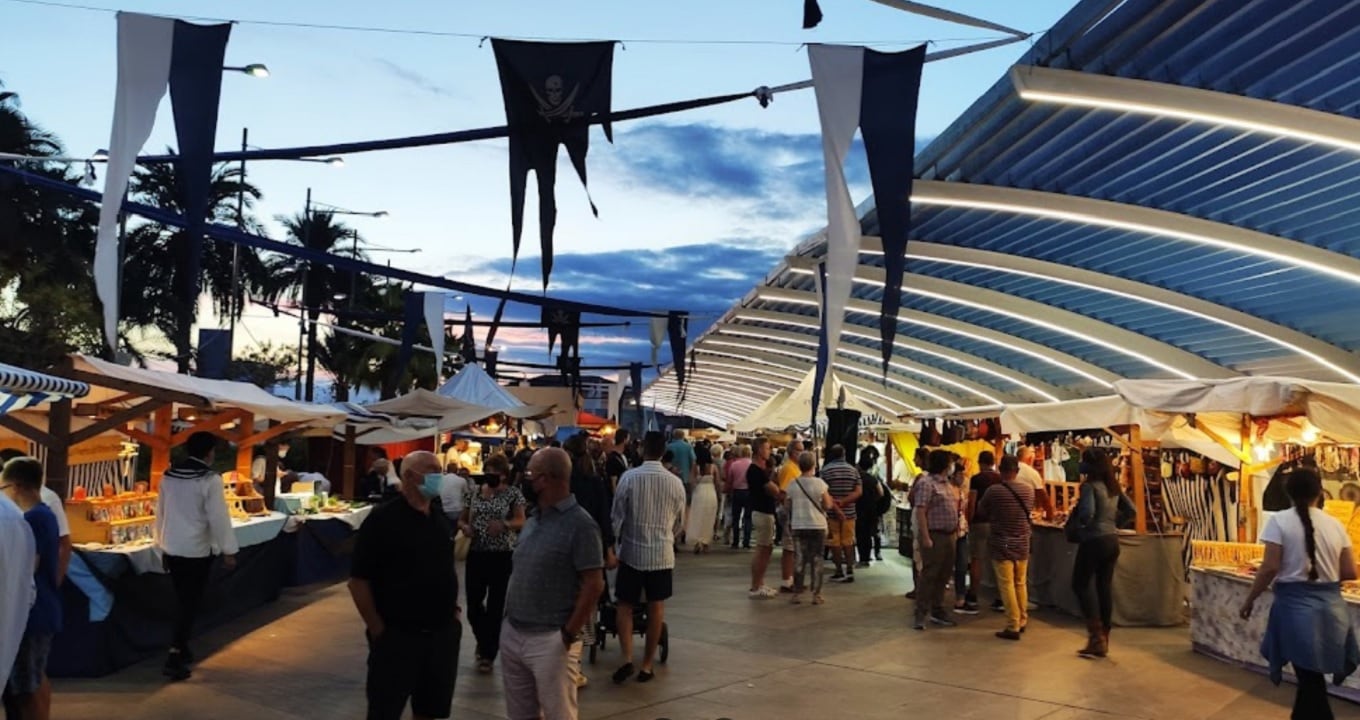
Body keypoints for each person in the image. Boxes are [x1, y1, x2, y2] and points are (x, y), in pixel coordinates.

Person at [350, 451, 461, 720]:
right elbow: (358, 581)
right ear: (410, 475)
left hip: (441, 635)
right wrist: (378, 629)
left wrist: (454, 613)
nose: (438, 476)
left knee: (430, 708)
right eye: (432, 470)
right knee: (385, 708)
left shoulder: (438, 518)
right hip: (398, 636)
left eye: (440, 470)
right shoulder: (383, 519)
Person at [1241, 468, 1359, 720]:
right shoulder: (1336, 525)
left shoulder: (1279, 521)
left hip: (1295, 611)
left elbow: (1270, 567)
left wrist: (1250, 599)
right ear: (1320, 492)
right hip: (1332, 611)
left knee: (1309, 681)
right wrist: (1323, 570)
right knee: (1311, 681)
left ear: (1289, 493)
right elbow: (1350, 571)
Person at [501, 448, 605, 720]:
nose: (526, 481)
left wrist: (568, 634)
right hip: (514, 631)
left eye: (530, 475)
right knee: (520, 713)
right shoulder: (535, 518)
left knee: (559, 713)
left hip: (550, 639)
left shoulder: (581, 525)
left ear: (545, 479)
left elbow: (594, 584)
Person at [153, 432, 239, 681]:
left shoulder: (169, 476)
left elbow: (160, 512)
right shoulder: (209, 479)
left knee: (182, 599)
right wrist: (229, 550)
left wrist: (159, 542)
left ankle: (183, 646)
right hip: (196, 550)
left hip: (172, 546)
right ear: (209, 451)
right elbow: (218, 517)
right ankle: (175, 654)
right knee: (189, 603)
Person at [610, 432, 686, 684]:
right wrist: (668, 537)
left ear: (642, 450)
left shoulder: (629, 478)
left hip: (631, 552)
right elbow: (680, 522)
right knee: (656, 608)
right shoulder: (675, 483)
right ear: (664, 451)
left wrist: (615, 543)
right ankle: (646, 665)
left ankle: (627, 658)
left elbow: (617, 517)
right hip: (661, 555)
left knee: (625, 605)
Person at [458, 453, 526, 674]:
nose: (489, 477)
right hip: (477, 552)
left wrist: (505, 524)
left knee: (496, 606)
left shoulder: (513, 495)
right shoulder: (475, 493)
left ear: (504, 475)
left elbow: (520, 520)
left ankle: (488, 653)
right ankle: (483, 638)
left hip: (502, 554)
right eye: (487, 472)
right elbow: (462, 517)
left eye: (494, 473)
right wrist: (465, 527)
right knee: (474, 606)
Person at [2, 457, 59, 720]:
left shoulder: (31, 518)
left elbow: (28, 567)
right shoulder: (43, 513)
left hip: (31, 615)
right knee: (32, 683)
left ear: (14, 486)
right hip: (39, 610)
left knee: (24, 691)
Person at [1070, 448, 1136, 659]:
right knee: (1103, 587)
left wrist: (1081, 526)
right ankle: (1104, 637)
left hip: (1093, 540)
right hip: (1111, 540)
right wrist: (1114, 523)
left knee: (1079, 583)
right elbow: (1131, 510)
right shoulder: (1113, 487)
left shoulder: (1090, 487)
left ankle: (1095, 633)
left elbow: (1087, 513)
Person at [563, 435, 617, 690]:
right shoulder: (595, 482)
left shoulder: (563, 481)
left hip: (561, 549)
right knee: (586, 607)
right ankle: (576, 664)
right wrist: (608, 549)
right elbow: (604, 518)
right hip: (590, 550)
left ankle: (564, 661)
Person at [978, 456, 1034, 640]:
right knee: (1020, 582)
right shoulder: (1028, 490)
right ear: (1016, 471)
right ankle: (1023, 619)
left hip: (1002, 541)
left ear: (1001, 471)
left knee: (1006, 584)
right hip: (1023, 541)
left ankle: (1013, 624)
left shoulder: (993, 491)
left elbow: (982, 510)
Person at [912, 450, 961, 630]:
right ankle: (920, 613)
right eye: (950, 463)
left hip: (950, 535)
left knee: (944, 574)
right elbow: (921, 510)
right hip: (935, 534)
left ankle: (937, 609)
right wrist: (925, 536)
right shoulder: (927, 483)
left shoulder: (947, 484)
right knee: (929, 574)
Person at [788, 451, 843, 605]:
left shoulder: (793, 484)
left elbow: (787, 505)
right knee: (817, 559)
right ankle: (816, 595)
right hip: (818, 525)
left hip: (798, 525)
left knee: (799, 559)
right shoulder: (820, 484)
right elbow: (827, 504)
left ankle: (797, 594)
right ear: (814, 465)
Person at [964, 451, 1002, 614]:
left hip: (980, 522)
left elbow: (972, 502)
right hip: (998, 524)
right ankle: (1000, 597)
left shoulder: (976, 479)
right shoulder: (1001, 479)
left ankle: (973, 596)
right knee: (998, 560)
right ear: (993, 462)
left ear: (980, 463)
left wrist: (969, 520)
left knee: (976, 559)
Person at [747, 438, 783, 598]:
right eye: (768, 448)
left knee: (766, 548)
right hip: (762, 512)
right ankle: (755, 586)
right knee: (762, 549)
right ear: (760, 450)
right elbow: (773, 489)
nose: (770, 451)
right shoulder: (755, 471)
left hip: (765, 511)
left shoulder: (760, 470)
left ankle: (760, 582)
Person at [821, 445, 862, 584]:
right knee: (848, 541)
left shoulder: (825, 471)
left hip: (832, 513)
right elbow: (858, 492)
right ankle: (850, 570)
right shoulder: (853, 471)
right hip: (849, 513)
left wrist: (835, 504)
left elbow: (823, 492)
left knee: (835, 542)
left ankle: (838, 570)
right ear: (844, 454)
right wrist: (844, 502)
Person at [684, 444, 720, 554]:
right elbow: (718, 483)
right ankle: (705, 542)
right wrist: (719, 495)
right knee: (708, 518)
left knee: (697, 517)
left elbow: (691, 481)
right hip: (710, 493)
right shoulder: (713, 467)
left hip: (699, 493)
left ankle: (697, 541)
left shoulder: (696, 466)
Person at [854, 448, 885, 566]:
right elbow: (881, 493)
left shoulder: (856, 478)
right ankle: (868, 556)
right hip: (871, 509)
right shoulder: (872, 479)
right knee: (869, 533)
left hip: (858, 508)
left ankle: (862, 557)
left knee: (860, 534)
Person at [725, 444, 753, 549]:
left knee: (735, 517)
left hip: (736, 492)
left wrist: (728, 491)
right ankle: (746, 541)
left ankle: (735, 541)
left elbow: (730, 480)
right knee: (748, 518)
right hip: (749, 492)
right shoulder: (752, 464)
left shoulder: (734, 464)